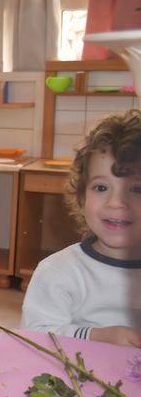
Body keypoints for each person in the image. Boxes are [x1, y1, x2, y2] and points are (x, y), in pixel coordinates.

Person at [22, 108, 141, 345]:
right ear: (81, 198)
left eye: (137, 189)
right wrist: (97, 336)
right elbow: (35, 336)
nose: (117, 203)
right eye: (101, 188)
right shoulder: (59, 272)